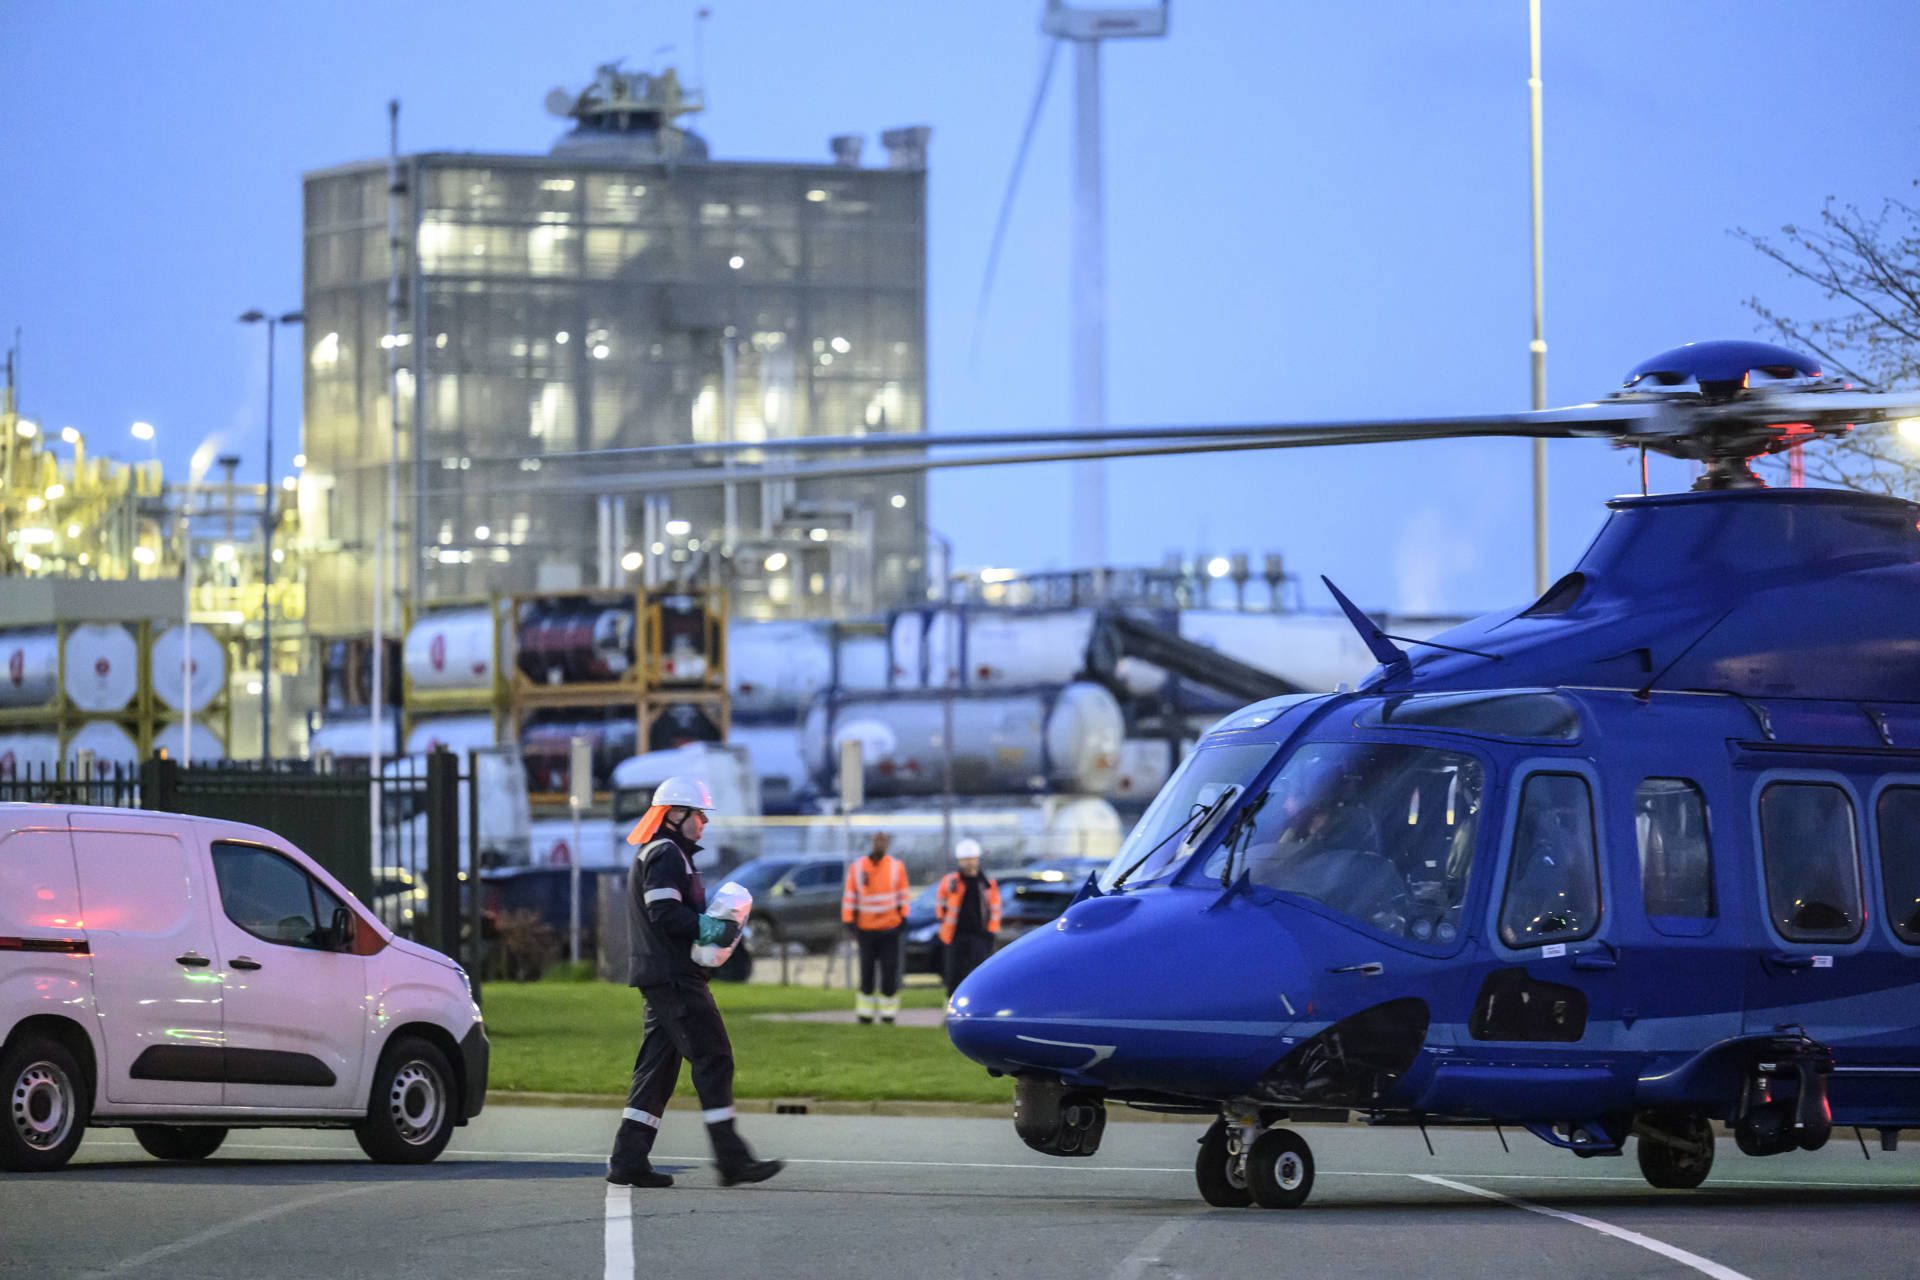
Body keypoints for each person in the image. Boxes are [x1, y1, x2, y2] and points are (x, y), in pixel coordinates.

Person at [607, 775, 782, 1189]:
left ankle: (628, 1160)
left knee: (657, 1070)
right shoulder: (667, 854)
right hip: (674, 978)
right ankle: (732, 1160)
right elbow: (664, 914)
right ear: (674, 815)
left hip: (662, 975)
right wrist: (709, 928)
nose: (703, 823)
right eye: (698, 814)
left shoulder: (664, 852)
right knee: (713, 1057)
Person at [841, 830, 911, 1024]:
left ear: (887, 844)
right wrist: (849, 921)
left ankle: (888, 1014)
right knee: (867, 971)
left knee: (889, 970)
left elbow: (903, 895)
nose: (880, 844)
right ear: (872, 842)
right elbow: (850, 896)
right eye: (877, 841)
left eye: (883, 841)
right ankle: (865, 1013)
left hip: (890, 928)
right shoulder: (858, 868)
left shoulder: (896, 867)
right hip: (866, 929)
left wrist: (903, 917)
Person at [936, 837, 1001, 996]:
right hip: (954, 936)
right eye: (965, 860)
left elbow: (995, 909)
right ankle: (950, 1011)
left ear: (977, 860)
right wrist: (945, 926)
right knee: (954, 977)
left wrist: (990, 932)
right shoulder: (950, 882)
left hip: (980, 936)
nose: (969, 863)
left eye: (971, 859)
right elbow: (940, 906)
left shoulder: (987, 884)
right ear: (959, 861)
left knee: (978, 976)